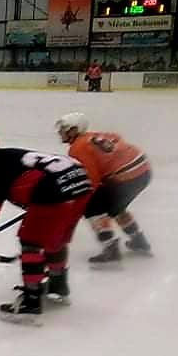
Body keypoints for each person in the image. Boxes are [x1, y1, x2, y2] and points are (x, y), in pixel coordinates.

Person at [0, 131, 92, 323]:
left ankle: (31, 303)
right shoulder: (7, 155)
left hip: (53, 191)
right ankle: (57, 285)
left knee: (31, 242)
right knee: (55, 240)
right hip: (81, 183)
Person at [55, 113, 152, 264]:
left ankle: (111, 248)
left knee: (92, 207)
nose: (60, 132)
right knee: (115, 206)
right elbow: (117, 139)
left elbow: (91, 181)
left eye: (64, 129)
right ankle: (139, 240)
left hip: (127, 177)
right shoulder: (95, 136)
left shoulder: (78, 147)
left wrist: (78, 198)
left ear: (75, 130)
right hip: (143, 172)